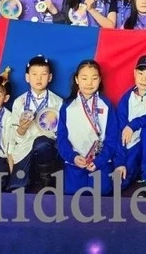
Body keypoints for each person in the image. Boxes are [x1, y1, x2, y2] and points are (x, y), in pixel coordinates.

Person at [58, 60, 120, 196]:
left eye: (94, 78)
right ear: (77, 79)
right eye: (84, 78)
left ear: (100, 79)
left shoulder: (106, 105)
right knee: (72, 194)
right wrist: (73, 157)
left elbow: (112, 138)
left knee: (103, 192)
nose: (89, 83)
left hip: (100, 162)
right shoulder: (67, 106)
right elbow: (61, 138)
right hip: (75, 162)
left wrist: (100, 160)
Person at [8, 55, 64, 190]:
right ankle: (31, 176)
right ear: (27, 77)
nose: (39, 79)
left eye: (43, 74)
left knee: (42, 143)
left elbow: (61, 133)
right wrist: (21, 129)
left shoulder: (58, 102)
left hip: (46, 149)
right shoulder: (19, 102)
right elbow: (14, 136)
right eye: (34, 74)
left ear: (50, 77)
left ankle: (46, 179)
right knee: (17, 187)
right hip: (24, 147)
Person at [114, 55, 146, 190]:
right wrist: (120, 162)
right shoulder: (126, 99)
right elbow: (120, 130)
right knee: (119, 183)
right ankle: (136, 170)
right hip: (133, 145)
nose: (143, 79)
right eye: (141, 73)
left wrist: (133, 124)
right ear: (134, 73)